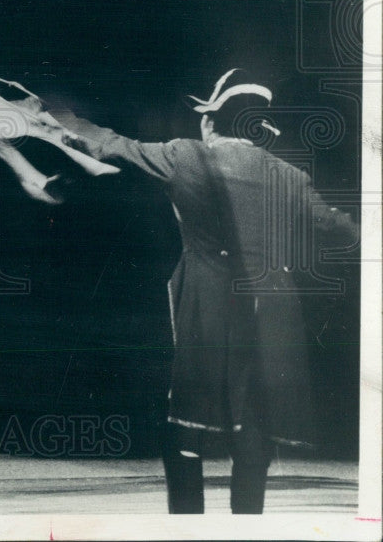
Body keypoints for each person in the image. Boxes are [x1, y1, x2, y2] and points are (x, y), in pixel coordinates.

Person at [44, 70, 359, 514]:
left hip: (209, 304)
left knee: (188, 422)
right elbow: (343, 231)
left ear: (210, 123)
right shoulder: (290, 176)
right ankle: (247, 528)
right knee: (252, 422)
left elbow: (111, 144)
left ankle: (187, 526)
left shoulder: (184, 156)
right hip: (270, 310)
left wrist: (59, 116)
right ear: (262, 131)